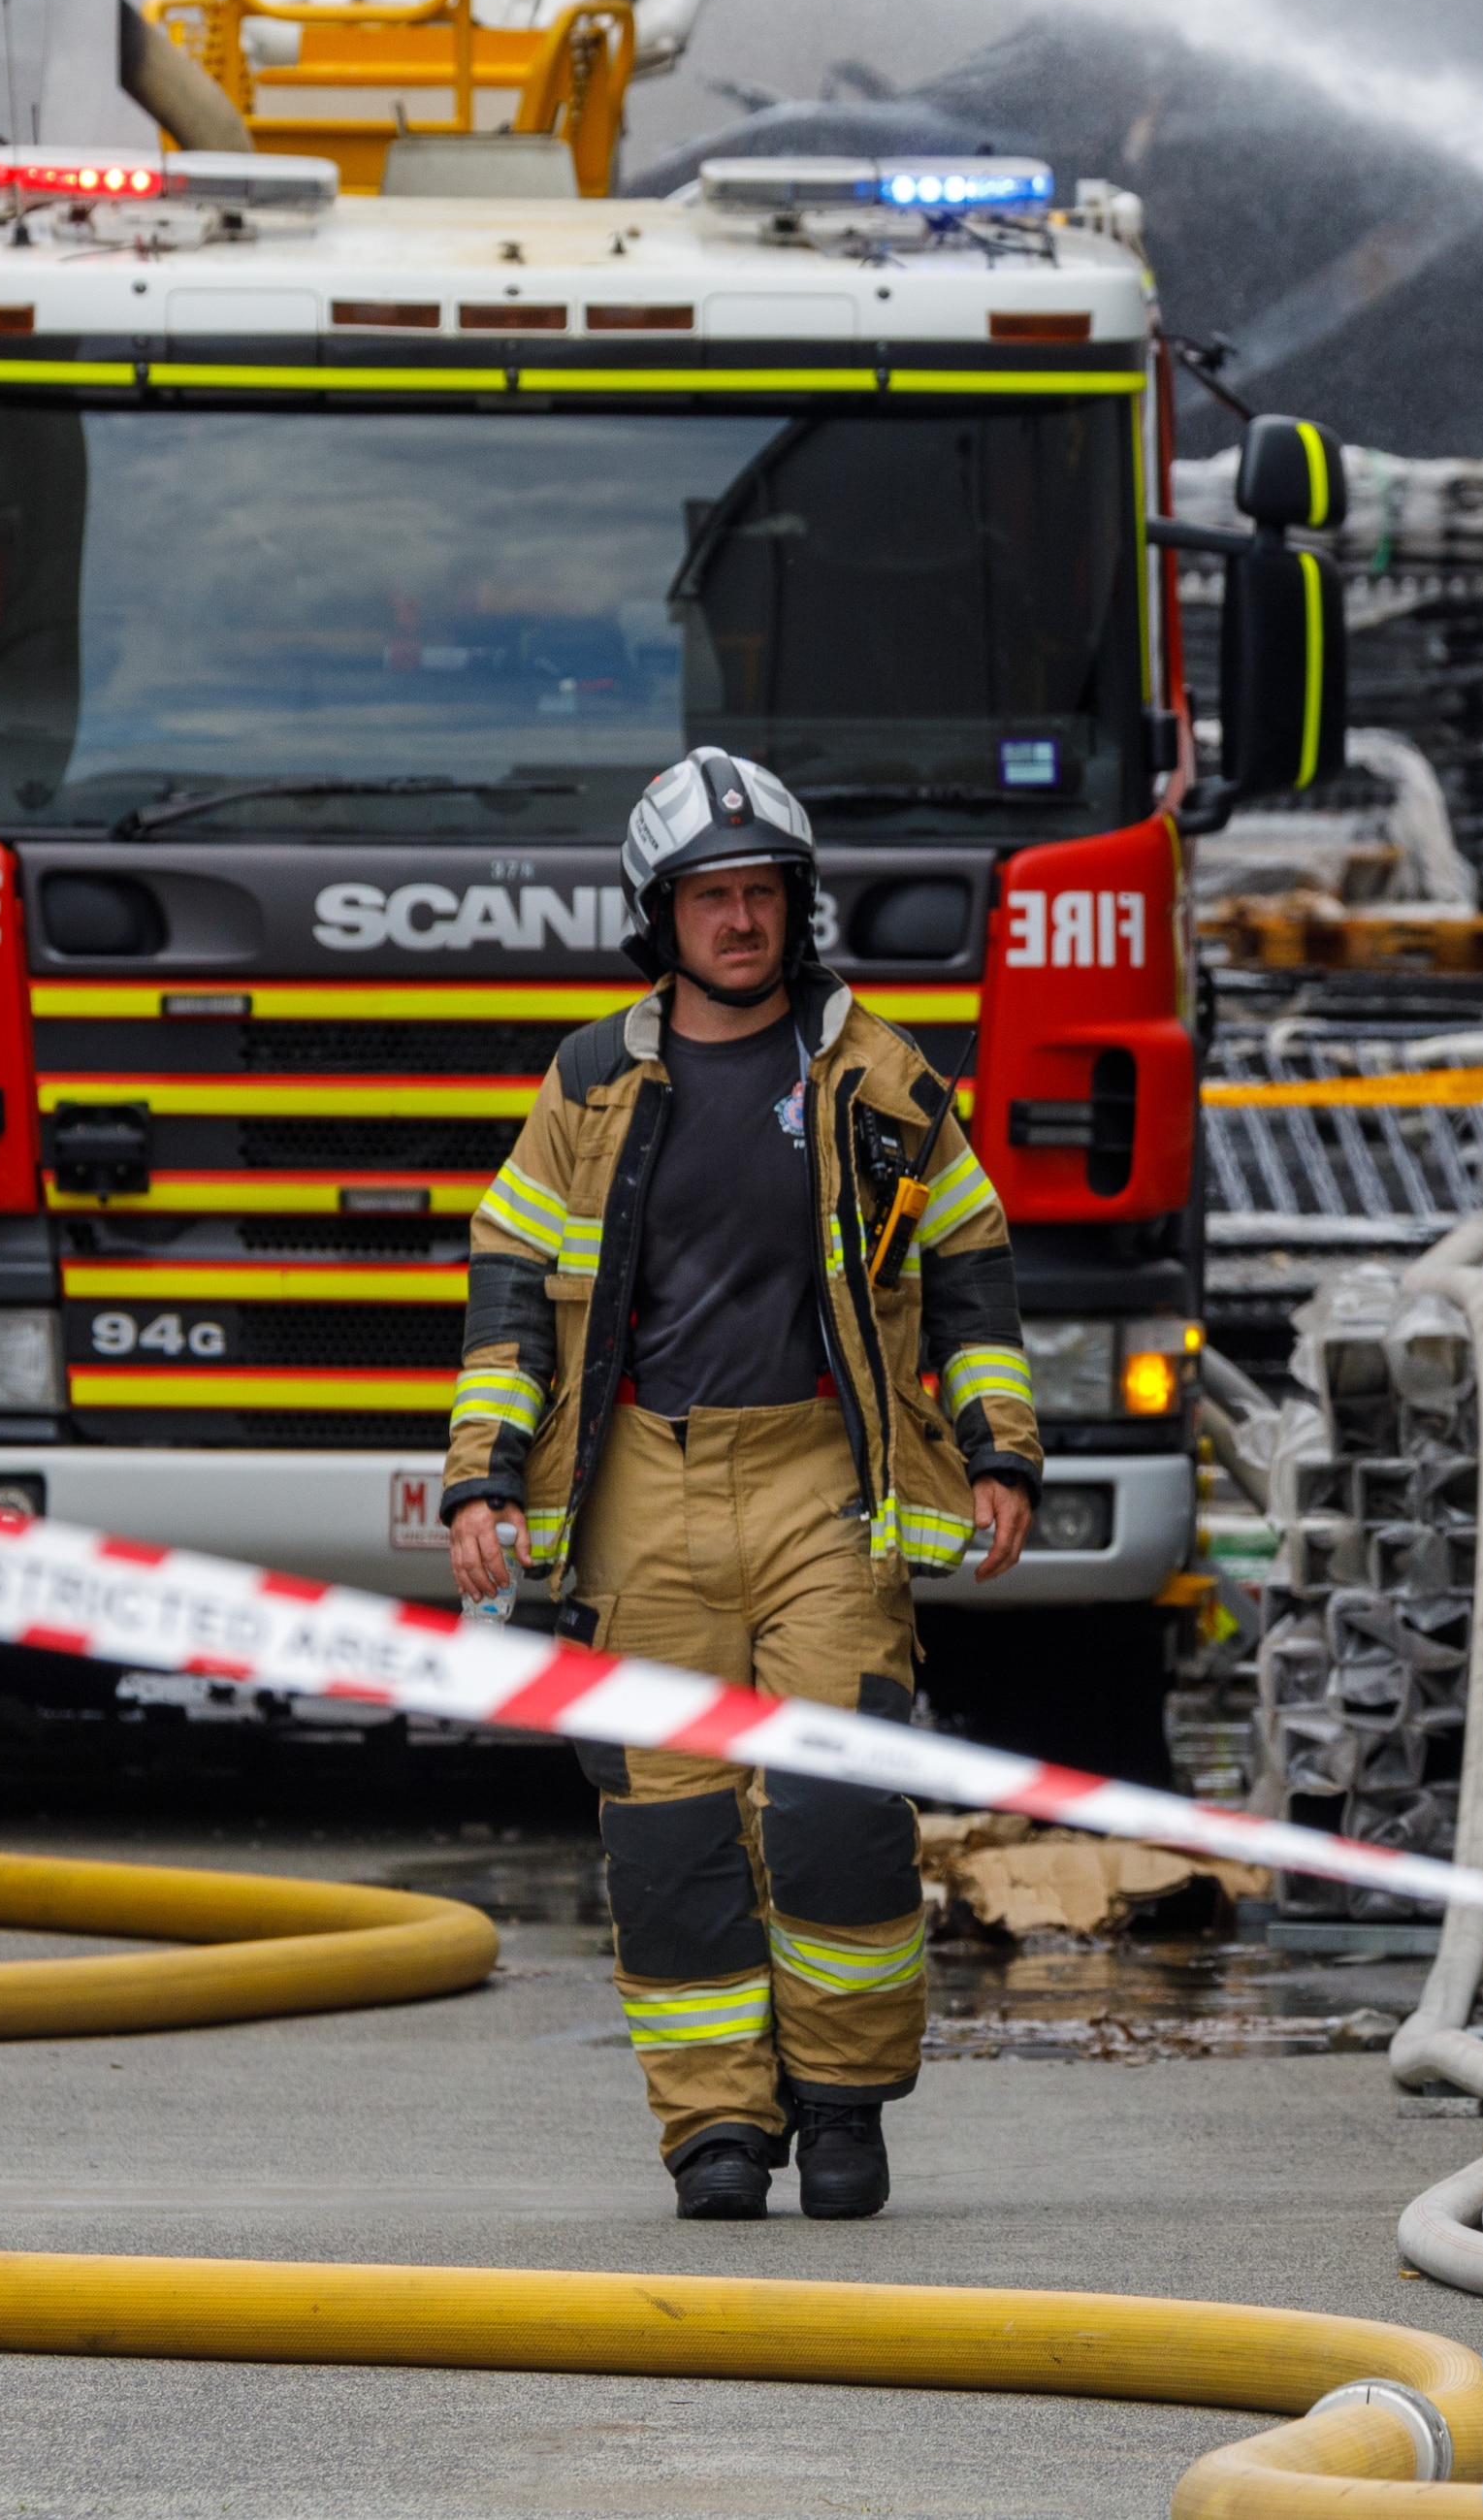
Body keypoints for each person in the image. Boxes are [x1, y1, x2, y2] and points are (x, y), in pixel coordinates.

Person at [440, 747, 1040, 2221]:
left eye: (760, 893)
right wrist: (482, 1481)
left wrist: (1000, 1450)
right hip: (644, 1480)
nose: (739, 922)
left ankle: (841, 2104)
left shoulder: (877, 1075)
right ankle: (714, 2125)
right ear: (662, 915)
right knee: (666, 1826)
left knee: (840, 1801)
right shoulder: (589, 1083)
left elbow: (971, 1279)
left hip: (820, 1479)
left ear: (796, 902)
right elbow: (513, 1293)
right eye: (710, 898)